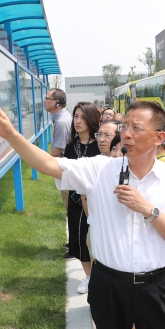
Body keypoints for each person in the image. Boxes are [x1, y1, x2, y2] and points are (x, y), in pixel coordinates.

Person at [0, 98, 165, 329]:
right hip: (108, 285)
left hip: (154, 287)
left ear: (159, 137)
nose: (126, 133)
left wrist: (148, 210)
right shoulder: (100, 169)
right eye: (125, 126)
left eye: (136, 128)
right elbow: (48, 164)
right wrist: (10, 134)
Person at [64, 102, 101, 293]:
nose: (78, 121)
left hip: (96, 199)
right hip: (75, 199)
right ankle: (89, 276)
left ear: (92, 120)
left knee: (96, 236)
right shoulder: (71, 146)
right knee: (78, 238)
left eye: (83, 117)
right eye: (76, 116)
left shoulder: (100, 145)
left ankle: (100, 273)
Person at [44, 88, 73, 256]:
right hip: (66, 168)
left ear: (56, 103)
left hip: (65, 170)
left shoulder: (61, 122)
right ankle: (74, 243)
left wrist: (42, 162)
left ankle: (75, 247)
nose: (44, 101)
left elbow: (56, 151)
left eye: (47, 98)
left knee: (71, 208)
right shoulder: (61, 118)